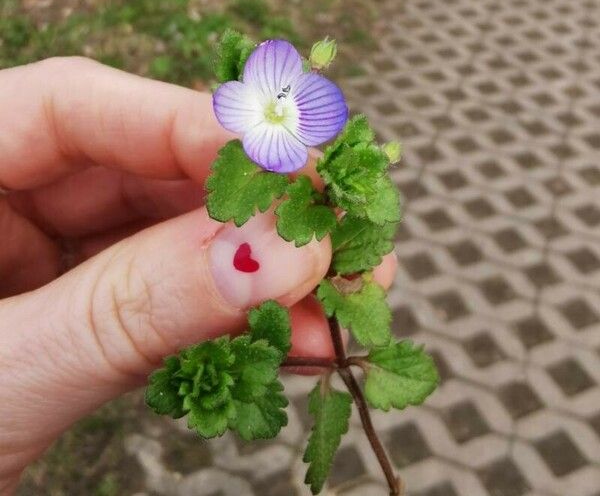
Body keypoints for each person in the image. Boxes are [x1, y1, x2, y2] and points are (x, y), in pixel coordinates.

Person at [0, 57, 396, 493]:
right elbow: (235, 115)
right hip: (267, 137)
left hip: (280, 140)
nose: (281, 105)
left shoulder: (294, 126)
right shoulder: (243, 111)